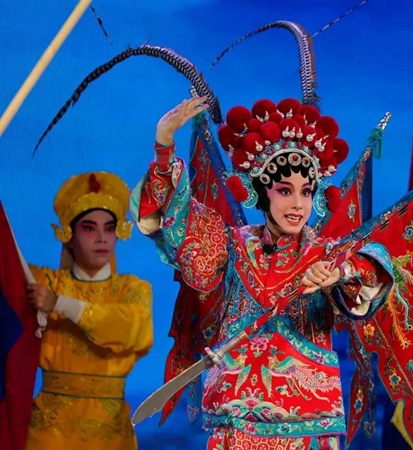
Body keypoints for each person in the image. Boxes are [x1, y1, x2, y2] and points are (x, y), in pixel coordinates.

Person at [130, 95, 394, 449]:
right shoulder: (231, 245)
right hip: (236, 423)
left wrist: (340, 272)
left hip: (306, 428)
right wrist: (164, 144)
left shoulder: (325, 254)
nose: (297, 204)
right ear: (261, 192)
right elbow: (175, 220)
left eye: (306, 192)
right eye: (285, 191)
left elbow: (374, 265)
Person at [24, 171, 154, 450]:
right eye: (89, 228)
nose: (101, 238)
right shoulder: (45, 283)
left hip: (111, 435)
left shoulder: (132, 289)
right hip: (49, 433)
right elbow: (9, 271)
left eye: (109, 228)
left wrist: (59, 304)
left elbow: (130, 328)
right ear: (69, 235)